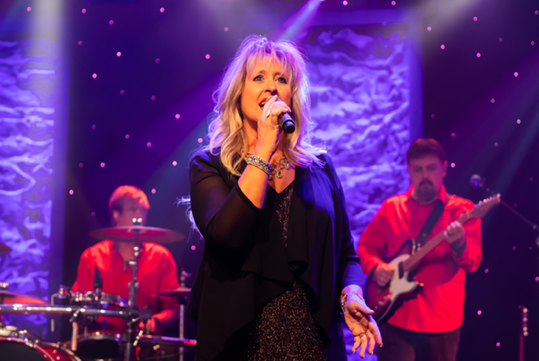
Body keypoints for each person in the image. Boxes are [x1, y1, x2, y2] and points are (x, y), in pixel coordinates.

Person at [186, 35, 382, 360]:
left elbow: (347, 256)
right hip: (242, 346)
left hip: (312, 345)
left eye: (282, 79)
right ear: (239, 92)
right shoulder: (210, 165)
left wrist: (351, 296)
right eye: (258, 77)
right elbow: (226, 235)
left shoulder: (319, 167)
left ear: (292, 95)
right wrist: (263, 148)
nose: (271, 87)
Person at [357, 138, 482, 361]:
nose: (425, 176)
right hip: (395, 318)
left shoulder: (462, 211)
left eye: (431, 168)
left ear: (443, 169)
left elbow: (472, 261)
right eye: (418, 169)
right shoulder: (392, 208)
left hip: (443, 325)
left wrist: (459, 244)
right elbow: (366, 246)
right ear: (409, 171)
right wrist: (376, 268)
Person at [73, 185, 180, 334]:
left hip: (144, 348)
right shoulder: (92, 256)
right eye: (133, 209)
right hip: (99, 346)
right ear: (116, 215)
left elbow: (173, 308)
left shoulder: (161, 256)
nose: (140, 216)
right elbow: (79, 305)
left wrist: (155, 321)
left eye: (143, 210)